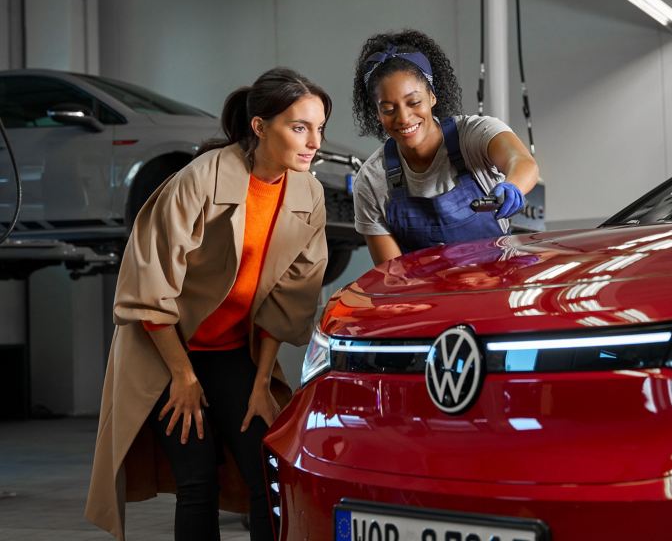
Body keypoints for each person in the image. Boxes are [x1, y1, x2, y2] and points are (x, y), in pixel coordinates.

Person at [85, 67, 331, 541]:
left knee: (266, 474)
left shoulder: (309, 193)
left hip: (232, 354)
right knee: (195, 480)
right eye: (300, 127)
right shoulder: (199, 180)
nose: (314, 141)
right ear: (259, 126)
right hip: (165, 351)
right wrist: (182, 377)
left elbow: (289, 298)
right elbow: (149, 284)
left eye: (320, 128)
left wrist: (261, 382)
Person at [352, 29, 540, 266]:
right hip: (425, 299)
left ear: (432, 96)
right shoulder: (371, 181)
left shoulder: (473, 135)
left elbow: (522, 162)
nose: (404, 118)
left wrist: (512, 186)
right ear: (377, 113)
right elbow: (393, 275)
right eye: (388, 109)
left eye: (414, 102)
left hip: (496, 285)